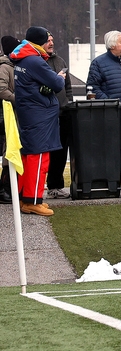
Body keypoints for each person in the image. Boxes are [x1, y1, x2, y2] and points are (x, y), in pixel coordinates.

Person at [9, 27, 66, 216]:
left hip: (30, 114)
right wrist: (59, 77)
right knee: (39, 158)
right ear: (40, 42)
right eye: (46, 40)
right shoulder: (34, 61)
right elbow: (57, 84)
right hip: (39, 116)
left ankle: (25, 199)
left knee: (28, 157)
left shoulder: (22, 58)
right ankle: (33, 200)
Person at [42, 31, 74, 200]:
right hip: (46, 114)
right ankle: (39, 186)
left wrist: (68, 102)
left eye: (52, 40)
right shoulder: (38, 62)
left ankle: (55, 186)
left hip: (63, 113)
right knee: (45, 152)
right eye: (47, 41)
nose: (51, 43)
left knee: (61, 151)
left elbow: (67, 86)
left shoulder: (60, 60)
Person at [0, 35, 17, 204]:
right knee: (8, 151)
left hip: (11, 113)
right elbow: (2, 90)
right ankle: (5, 188)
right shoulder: (5, 67)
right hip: (7, 114)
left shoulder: (11, 66)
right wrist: (17, 99)